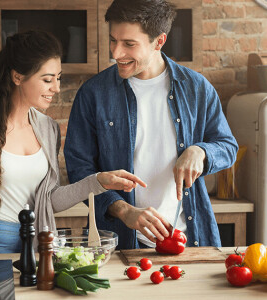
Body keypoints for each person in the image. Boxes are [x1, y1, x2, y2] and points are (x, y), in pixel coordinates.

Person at [64, 0, 238, 250]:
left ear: (159, 41)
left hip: (189, 240)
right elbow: (80, 171)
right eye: (113, 40)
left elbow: (228, 147)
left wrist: (199, 151)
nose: (115, 53)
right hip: (122, 244)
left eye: (129, 44)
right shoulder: (93, 94)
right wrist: (124, 210)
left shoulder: (197, 88)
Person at [0, 30, 146, 258]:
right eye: (47, 80)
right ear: (18, 77)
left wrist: (98, 181)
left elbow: (48, 200)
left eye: (58, 78)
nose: (56, 88)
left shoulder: (48, 128)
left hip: (38, 245)